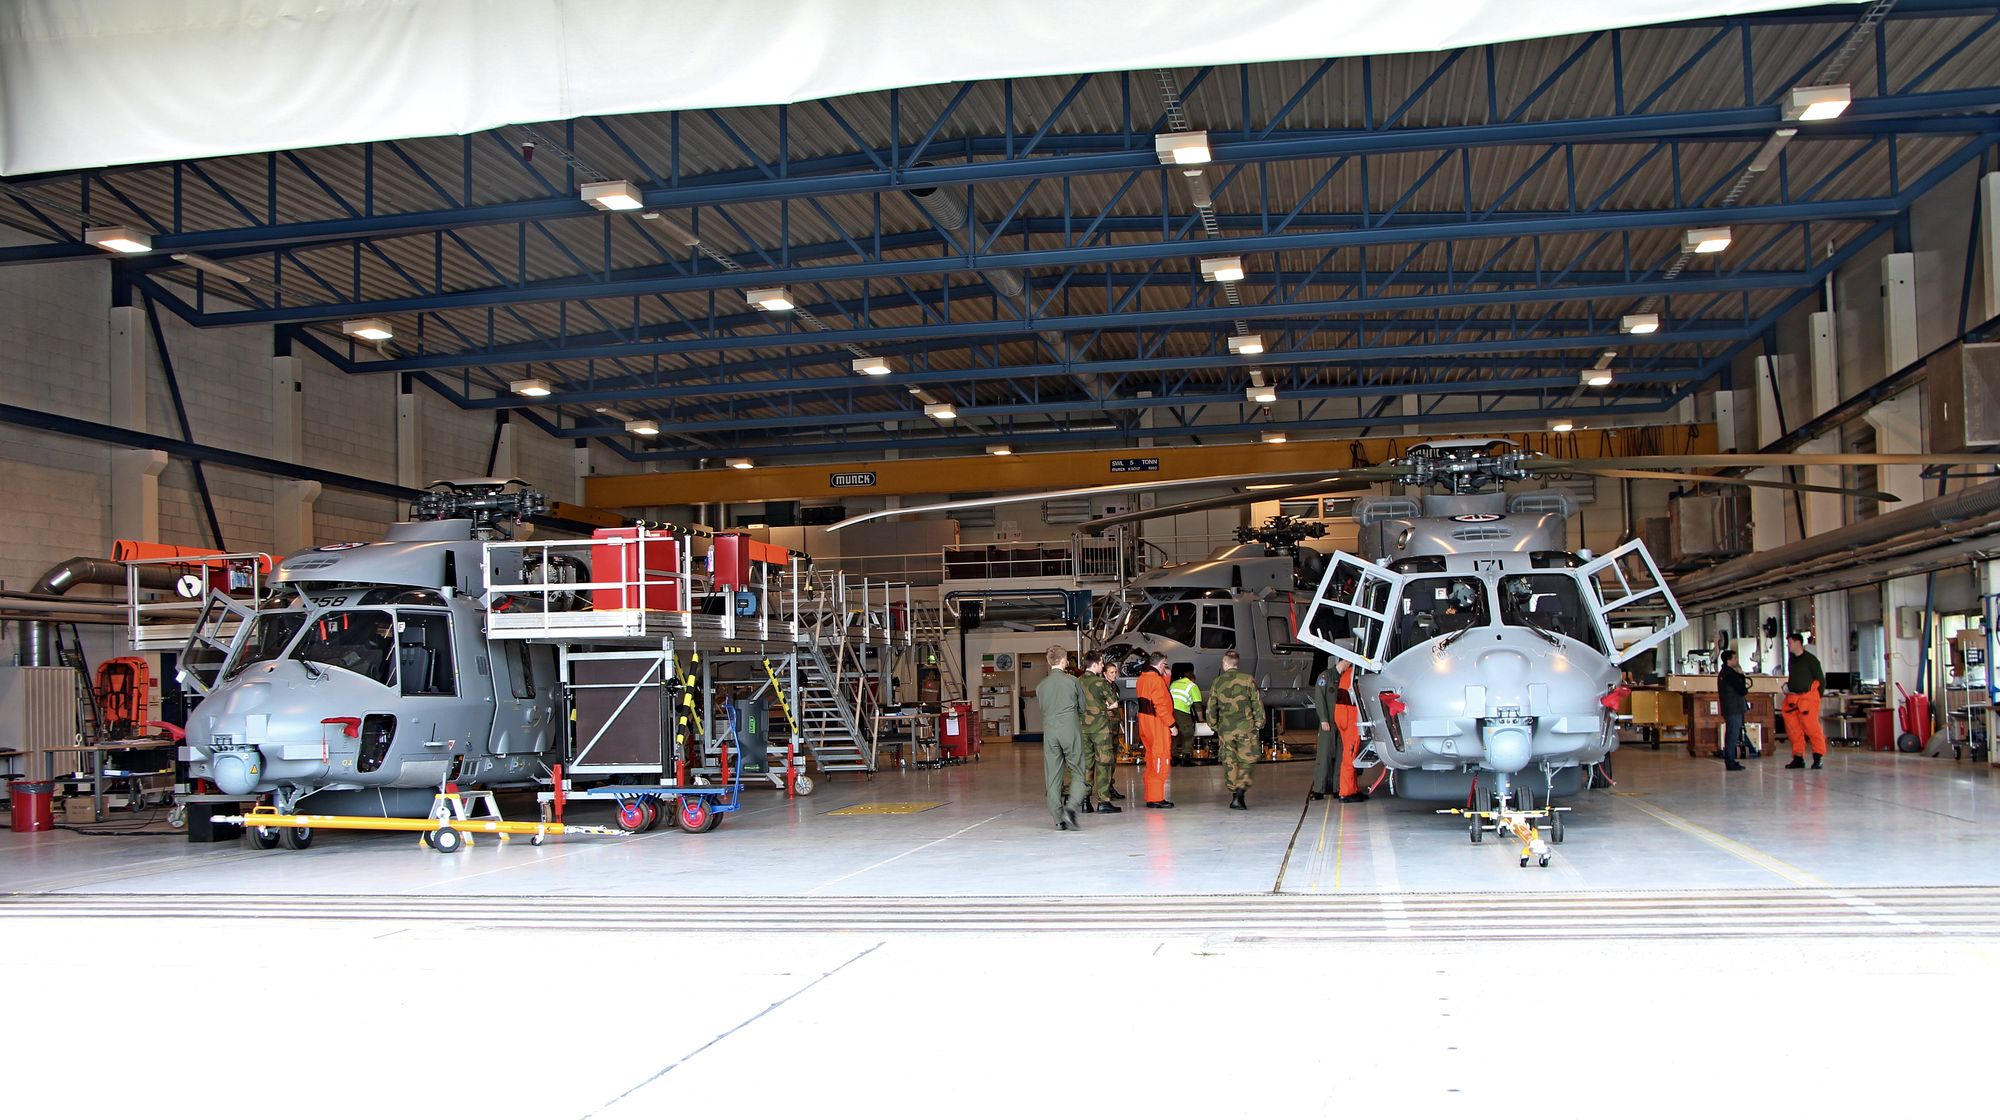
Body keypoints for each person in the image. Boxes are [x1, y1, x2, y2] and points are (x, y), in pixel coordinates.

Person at [1035, 646, 1089, 830]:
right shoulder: (1072, 681)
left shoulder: (1040, 686)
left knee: (1052, 777)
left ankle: (1058, 820)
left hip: (1050, 732)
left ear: (1049, 662)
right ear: (1064, 661)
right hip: (1070, 730)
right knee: (1078, 772)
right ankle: (1071, 807)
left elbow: (1043, 708)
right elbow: (1082, 708)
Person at [1208, 651, 1265, 810]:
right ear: (1237, 663)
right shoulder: (1248, 679)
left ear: (1225, 663)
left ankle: (1234, 794)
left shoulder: (1217, 682)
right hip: (1246, 728)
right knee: (1247, 759)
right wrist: (1259, 723)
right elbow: (1257, 703)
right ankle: (1240, 792)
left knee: (1229, 761)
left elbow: (1211, 707)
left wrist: (1213, 725)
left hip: (1226, 730)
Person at [1078, 652, 1123, 813]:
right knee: (1103, 763)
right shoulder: (1100, 682)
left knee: (1087, 765)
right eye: (1102, 663)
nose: (1103, 665)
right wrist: (1102, 707)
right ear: (1096, 664)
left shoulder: (1077, 681)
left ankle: (1085, 801)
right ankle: (1103, 801)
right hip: (1100, 729)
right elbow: (1114, 704)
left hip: (1082, 729)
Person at [1135, 652, 1176, 808]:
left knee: (1152, 760)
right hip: (1157, 725)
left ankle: (1151, 796)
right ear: (1161, 664)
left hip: (1145, 724)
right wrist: (1172, 725)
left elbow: (1154, 696)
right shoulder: (1156, 681)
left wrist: (1166, 677)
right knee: (1160, 759)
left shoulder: (1142, 679)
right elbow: (1160, 706)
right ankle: (1156, 798)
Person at [1781, 632, 1827, 770]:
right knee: (1793, 731)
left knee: (1812, 729)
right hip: (1792, 699)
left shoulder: (1811, 660)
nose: (1788, 645)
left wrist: (1815, 697)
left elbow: (1821, 681)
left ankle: (1818, 757)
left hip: (1808, 700)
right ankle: (1798, 758)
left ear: (1798, 643)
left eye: (1789, 642)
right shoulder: (1791, 660)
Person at [1309, 665, 1341, 800]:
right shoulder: (1326, 676)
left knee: (1341, 757)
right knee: (1324, 755)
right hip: (1328, 723)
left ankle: (1337, 788)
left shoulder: (1345, 677)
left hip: (1342, 723)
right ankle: (1319, 789)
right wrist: (1323, 718)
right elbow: (1320, 698)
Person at [1718, 649, 1749, 771]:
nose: (1737, 660)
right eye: (1735, 658)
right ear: (1728, 660)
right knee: (1732, 735)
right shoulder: (1730, 674)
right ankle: (1730, 761)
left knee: (1731, 734)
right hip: (1733, 708)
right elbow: (1742, 690)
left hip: (1729, 708)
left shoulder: (1723, 673)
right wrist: (1741, 675)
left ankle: (1730, 759)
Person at [1169, 666, 1202, 759]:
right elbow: (1198, 705)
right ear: (1192, 679)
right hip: (1182, 711)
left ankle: (1173, 757)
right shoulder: (1192, 685)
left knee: (1174, 733)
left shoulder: (1174, 683)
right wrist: (1201, 719)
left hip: (1170, 712)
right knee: (1188, 733)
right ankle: (1186, 757)